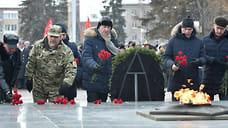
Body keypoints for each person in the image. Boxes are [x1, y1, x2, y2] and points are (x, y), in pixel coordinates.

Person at [25, 25, 76, 103]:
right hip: (39, 88)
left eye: (55, 37)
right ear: (47, 35)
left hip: (56, 89)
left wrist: (67, 83)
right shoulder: (37, 47)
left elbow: (71, 69)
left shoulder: (66, 51)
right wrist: (28, 78)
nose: (53, 39)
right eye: (51, 36)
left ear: (60, 37)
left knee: (55, 113)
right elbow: (31, 63)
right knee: (39, 112)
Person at [163, 16, 206, 101]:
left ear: (192, 29)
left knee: (193, 109)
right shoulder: (173, 41)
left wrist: (199, 61)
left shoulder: (198, 42)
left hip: (192, 80)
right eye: (185, 29)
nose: (187, 31)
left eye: (189, 29)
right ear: (181, 28)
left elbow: (204, 57)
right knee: (176, 109)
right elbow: (166, 57)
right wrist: (172, 65)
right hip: (177, 80)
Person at [82, 16, 119, 102]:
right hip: (93, 78)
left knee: (103, 107)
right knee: (92, 105)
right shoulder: (90, 39)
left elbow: (115, 56)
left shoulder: (112, 41)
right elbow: (87, 56)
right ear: (99, 27)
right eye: (104, 27)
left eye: (108, 27)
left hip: (106, 80)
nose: (106, 30)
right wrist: (94, 65)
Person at [202, 16, 228, 100]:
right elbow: (201, 55)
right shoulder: (205, 40)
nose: (219, 31)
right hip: (209, 77)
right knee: (206, 106)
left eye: (222, 29)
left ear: (226, 28)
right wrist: (211, 59)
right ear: (213, 26)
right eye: (217, 28)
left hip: (224, 78)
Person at [56, 23, 83, 100]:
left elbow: (80, 64)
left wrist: (76, 78)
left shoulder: (72, 47)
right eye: (59, 35)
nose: (61, 38)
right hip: (54, 88)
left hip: (70, 87)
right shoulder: (49, 48)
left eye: (63, 35)